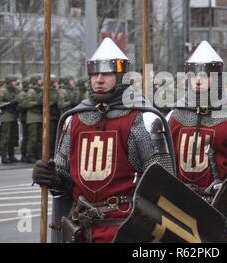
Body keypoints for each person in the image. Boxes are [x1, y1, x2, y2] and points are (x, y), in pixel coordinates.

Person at [32, 38, 174, 243]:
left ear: (122, 77)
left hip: (125, 229)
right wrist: (51, 177)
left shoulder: (142, 118)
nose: (98, 80)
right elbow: (64, 183)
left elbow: (162, 183)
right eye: (94, 74)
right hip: (80, 228)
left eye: (106, 74)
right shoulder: (74, 120)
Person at [167, 41, 227, 203]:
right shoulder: (173, 117)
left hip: (223, 204)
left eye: (204, 76)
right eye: (193, 75)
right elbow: (163, 168)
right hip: (180, 205)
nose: (197, 80)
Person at [0, 75, 20, 164]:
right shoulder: (3, 90)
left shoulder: (15, 90)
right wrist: (9, 103)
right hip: (6, 116)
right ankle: (4, 156)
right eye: (13, 81)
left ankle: (11, 155)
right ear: (9, 82)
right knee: (6, 137)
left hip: (14, 115)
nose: (15, 83)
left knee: (13, 137)